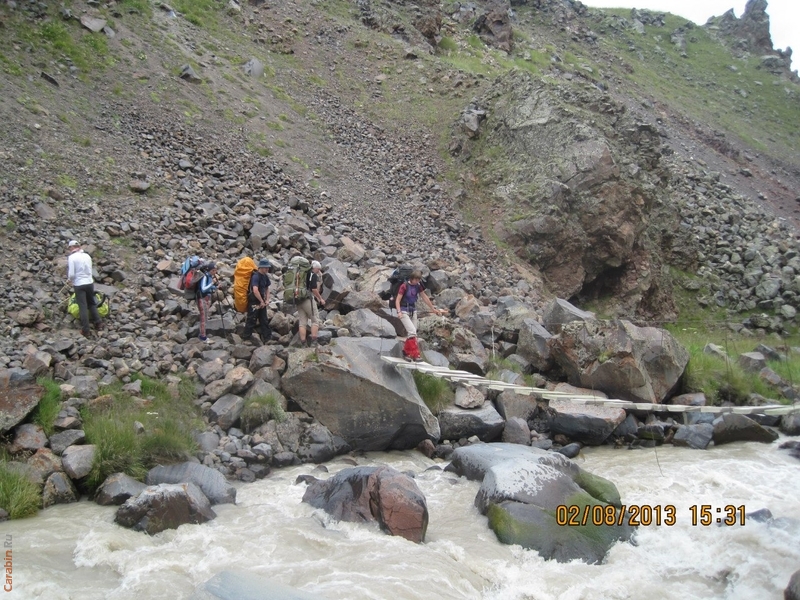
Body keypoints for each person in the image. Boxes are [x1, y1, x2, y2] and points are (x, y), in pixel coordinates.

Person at [394, 270, 446, 361]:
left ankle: (405, 352)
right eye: (416, 280)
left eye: (419, 280)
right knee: (412, 331)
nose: (417, 282)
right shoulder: (404, 286)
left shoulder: (418, 286)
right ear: (412, 278)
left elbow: (424, 297)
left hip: (413, 311)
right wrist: (399, 312)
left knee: (413, 334)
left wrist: (432, 308)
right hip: (403, 311)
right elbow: (398, 300)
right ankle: (415, 355)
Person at [66, 240, 102, 337]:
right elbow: (90, 269)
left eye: (69, 248)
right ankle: (98, 323)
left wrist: (70, 280)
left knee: (82, 306)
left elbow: (72, 273)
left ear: (71, 247)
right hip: (89, 282)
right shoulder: (87, 256)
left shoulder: (72, 257)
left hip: (79, 284)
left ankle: (86, 330)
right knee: (91, 303)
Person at [296, 260, 325, 347]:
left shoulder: (301, 273)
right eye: (318, 269)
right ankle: (314, 341)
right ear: (315, 268)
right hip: (307, 299)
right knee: (315, 320)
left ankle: (303, 343)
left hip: (298, 299)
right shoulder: (313, 275)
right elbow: (314, 289)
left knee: (302, 322)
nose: (319, 271)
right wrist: (320, 299)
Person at [243, 258, 272, 344]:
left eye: (268, 267)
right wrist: (262, 301)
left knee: (264, 319)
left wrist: (267, 300)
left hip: (261, 301)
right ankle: (246, 338)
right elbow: (255, 290)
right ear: (261, 267)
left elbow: (267, 288)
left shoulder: (265, 276)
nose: (267, 269)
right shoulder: (255, 276)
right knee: (251, 319)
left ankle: (267, 338)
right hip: (254, 302)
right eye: (266, 267)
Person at [196, 263, 218, 343]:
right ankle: (203, 337)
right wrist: (212, 283)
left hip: (207, 299)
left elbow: (209, 288)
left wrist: (215, 287)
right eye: (213, 270)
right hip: (202, 299)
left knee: (205, 317)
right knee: (203, 318)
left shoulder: (209, 276)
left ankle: (202, 334)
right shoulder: (205, 276)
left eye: (215, 270)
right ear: (209, 270)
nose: (214, 272)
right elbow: (203, 289)